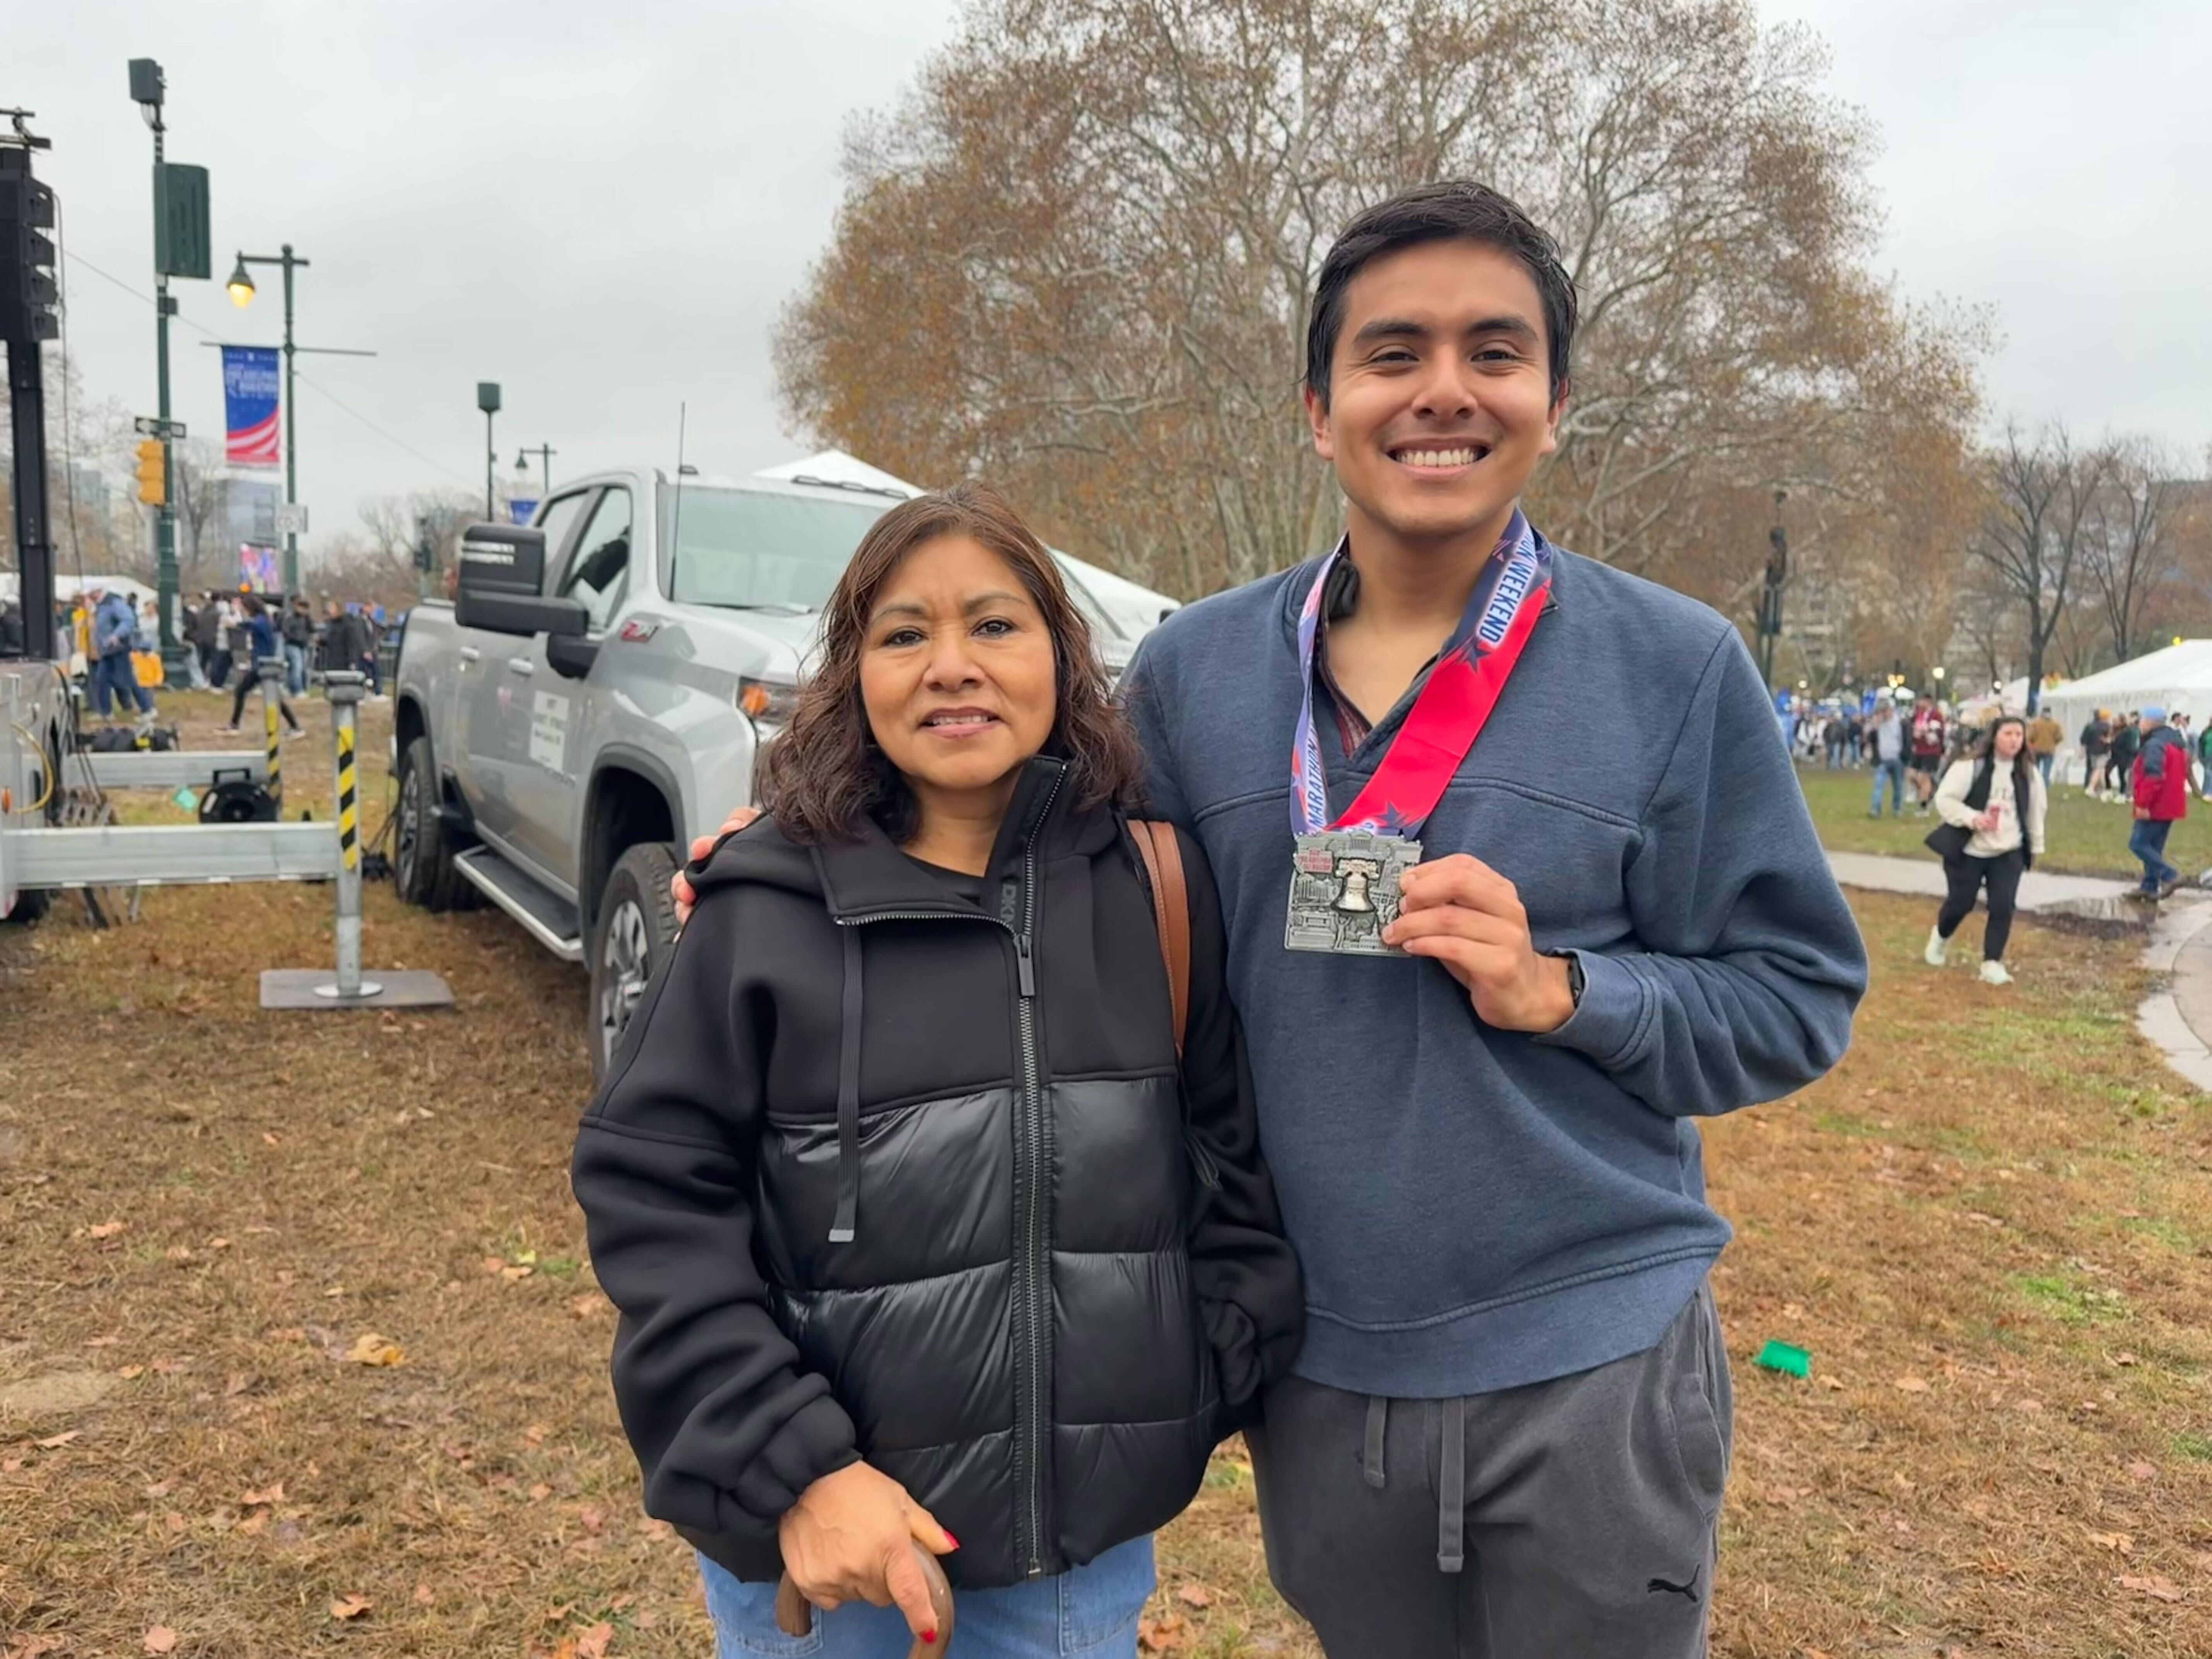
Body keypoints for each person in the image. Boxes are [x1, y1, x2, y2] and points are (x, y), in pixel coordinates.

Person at [680, 180, 1867, 1657]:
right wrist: (798, 836)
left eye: (1494, 352)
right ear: (1319, 409)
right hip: (1320, 1377)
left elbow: (1797, 999)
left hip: (1590, 1364)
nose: (1443, 390)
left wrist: (1569, 988)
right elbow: (1017, 835)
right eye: (1393, 353)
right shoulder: (1195, 670)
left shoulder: (1676, 670)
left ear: (1554, 401)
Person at [574, 485, 1305, 1659]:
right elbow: (652, 1199)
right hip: (826, 1569)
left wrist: (1193, 1381)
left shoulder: (1156, 892)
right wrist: (797, 1470)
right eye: (904, 633)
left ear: (1062, 661)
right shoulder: (760, 911)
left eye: (995, 626)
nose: (951, 665)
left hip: (1074, 1572)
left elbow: (1230, 1164)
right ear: (853, 673)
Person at [1924, 715, 2047, 986]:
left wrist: (2035, 846)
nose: (2015, 740)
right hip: (1969, 849)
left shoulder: (2028, 773)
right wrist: (1972, 818)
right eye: (2008, 734)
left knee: (2003, 906)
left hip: (2009, 849)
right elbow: (1945, 800)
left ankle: (1992, 962)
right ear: (1994, 737)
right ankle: (1941, 938)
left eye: (2019, 734)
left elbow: (2036, 811)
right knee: (1961, 903)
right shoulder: (1971, 767)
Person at [222, 595, 306, 739]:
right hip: (262, 663)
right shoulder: (265, 619)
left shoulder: (262, 621)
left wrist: (236, 624)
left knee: (244, 692)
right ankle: (294, 726)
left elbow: (253, 626)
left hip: (262, 664)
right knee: (264, 695)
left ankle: (235, 725)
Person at [2129, 705, 2190, 900]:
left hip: (2156, 805)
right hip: (2171, 804)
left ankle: (2171, 875)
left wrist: (2143, 804)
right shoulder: (2174, 743)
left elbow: (2154, 777)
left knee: (2138, 844)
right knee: (2154, 847)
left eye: (2142, 721)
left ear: (2149, 723)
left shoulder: (2155, 745)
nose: (2140, 725)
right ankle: (2149, 886)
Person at [87, 582, 156, 727]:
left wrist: (116, 635)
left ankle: (148, 708)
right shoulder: (102, 606)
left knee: (128, 680)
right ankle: (106, 712)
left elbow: (128, 620)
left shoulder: (114, 603)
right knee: (102, 680)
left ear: (97, 592)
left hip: (118, 649)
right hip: (108, 650)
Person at [1906, 693, 1947, 816]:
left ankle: (1924, 807)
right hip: (1919, 750)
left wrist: (1925, 732)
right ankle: (1930, 791)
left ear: (1928, 701)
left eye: (1921, 701)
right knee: (1911, 775)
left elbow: (1936, 735)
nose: (1919, 704)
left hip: (1931, 751)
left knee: (1925, 777)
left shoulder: (1935, 715)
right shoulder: (1918, 714)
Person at [1867, 695, 1908, 816]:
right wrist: (1875, 728)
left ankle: (1897, 808)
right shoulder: (1879, 724)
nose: (1884, 714)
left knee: (1898, 787)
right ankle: (1875, 809)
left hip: (1897, 758)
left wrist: (1905, 756)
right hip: (1883, 759)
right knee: (1878, 785)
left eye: (1886, 711)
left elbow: (1905, 740)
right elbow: (1871, 739)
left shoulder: (1900, 722)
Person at [281, 596, 315, 695]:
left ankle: (300, 688)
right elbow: (286, 631)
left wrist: (309, 620)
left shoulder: (307, 620)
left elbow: (312, 630)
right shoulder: (290, 618)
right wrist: (295, 638)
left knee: (303, 668)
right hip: (292, 645)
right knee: (297, 666)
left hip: (303, 646)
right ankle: (298, 689)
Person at [2108, 711, 2142, 802]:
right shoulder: (2129, 730)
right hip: (2127, 755)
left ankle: (2129, 794)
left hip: (2130, 755)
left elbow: (2133, 745)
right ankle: (2128, 793)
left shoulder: (2132, 731)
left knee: (2130, 775)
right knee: (2129, 775)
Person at [2080, 710, 2109, 793]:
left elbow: (2083, 739)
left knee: (2091, 769)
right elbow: (2108, 738)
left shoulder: (2089, 726)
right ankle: (2093, 788)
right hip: (2103, 751)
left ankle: (2090, 785)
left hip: (2091, 750)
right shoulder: (2106, 726)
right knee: (2099, 769)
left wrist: (2083, 750)